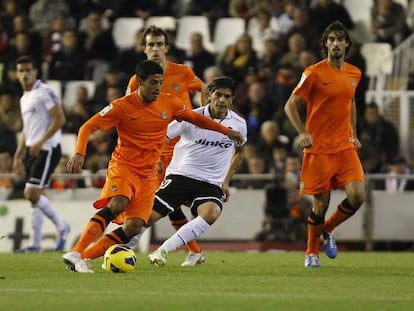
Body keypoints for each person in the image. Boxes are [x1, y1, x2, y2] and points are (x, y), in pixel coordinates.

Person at [62, 60, 244, 273]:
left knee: (135, 226)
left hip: (149, 175)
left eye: (160, 82)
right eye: (153, 83)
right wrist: (79, 152)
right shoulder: (122, 106)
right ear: (139, 82)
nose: (158, 87)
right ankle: (77, 253)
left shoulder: (170, 103)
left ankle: (84, 259)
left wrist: (226, 132)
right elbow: (88, 126)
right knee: (118, 204)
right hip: (125, 166)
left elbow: (196, 119)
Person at [126, 76, 247, 266]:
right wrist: (156, 158)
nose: (222, 100)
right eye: (218, 95)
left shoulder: (239, 124)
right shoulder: (190, 117)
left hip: (210, 182)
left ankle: (162, 251)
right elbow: (161, 135)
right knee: (146, 218)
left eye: (227, 96)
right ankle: (119, 248)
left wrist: (226, 180)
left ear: (232, 99)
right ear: (209, 95)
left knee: (211, 212)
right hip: (182, 175)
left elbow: (240, 151)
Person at [125, 25, 208, 266]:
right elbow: (127, 110)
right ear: (144, 49)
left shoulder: (182, 72)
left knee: (167, 200)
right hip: (154, 148)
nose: (155, 49)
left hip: (183, 148)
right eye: (150, 44)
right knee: (166, 202)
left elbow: (203, 88)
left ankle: (124, 243)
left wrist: (202, 119)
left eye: (159, 44)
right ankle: (194, 250)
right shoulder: (136, 81)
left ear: (166, 48)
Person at [284, 21, 365, 268]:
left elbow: (350, 103)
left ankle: (327, 229)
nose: (336, 44)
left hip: (344, 146)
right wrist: (303, 132)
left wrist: (354, 133)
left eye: (340, 39)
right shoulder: (313, 73)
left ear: (347, 44)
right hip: (318, 148)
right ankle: (311, 252)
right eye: (331, 40)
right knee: (321, 204)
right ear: (325, 44)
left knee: (358, 195)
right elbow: (290, 106)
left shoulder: (354, 73)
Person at [12, 55, 70, 253]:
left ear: (35, 71)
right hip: (32, 149)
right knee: (35, 198)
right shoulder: (24, 98)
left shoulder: (45, 91)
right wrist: (19, 151)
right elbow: (27, 128)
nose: (25, 74)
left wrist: (40, 141)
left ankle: (62, 226)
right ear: (17, 74)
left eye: (28, 70)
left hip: (48, 149)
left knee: (31, 193)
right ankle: (35, 244)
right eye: (21, 71)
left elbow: (60, 119)